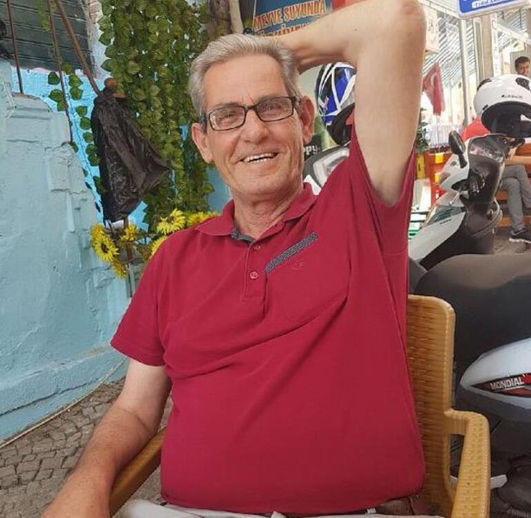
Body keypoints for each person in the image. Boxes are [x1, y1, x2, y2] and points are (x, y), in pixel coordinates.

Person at [43, 1, 429, 517]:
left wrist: (265, 54)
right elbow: (135, 409)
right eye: (226, 116)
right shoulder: (174, 258)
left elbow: (395, 20)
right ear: (203, 143)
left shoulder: (360, 210)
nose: (252, 132)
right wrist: (86, 480)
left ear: (304, 120)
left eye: (271, 107)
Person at [461, 114, 531, 244]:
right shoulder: (486, 130)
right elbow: (505, 158)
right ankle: (530, 203)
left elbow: (505, 152)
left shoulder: (478, 127)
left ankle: (518, 230)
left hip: (486, 176)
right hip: (479, 178)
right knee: (518, 169)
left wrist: (513, 144)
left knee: (513, 184)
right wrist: (513, 145)